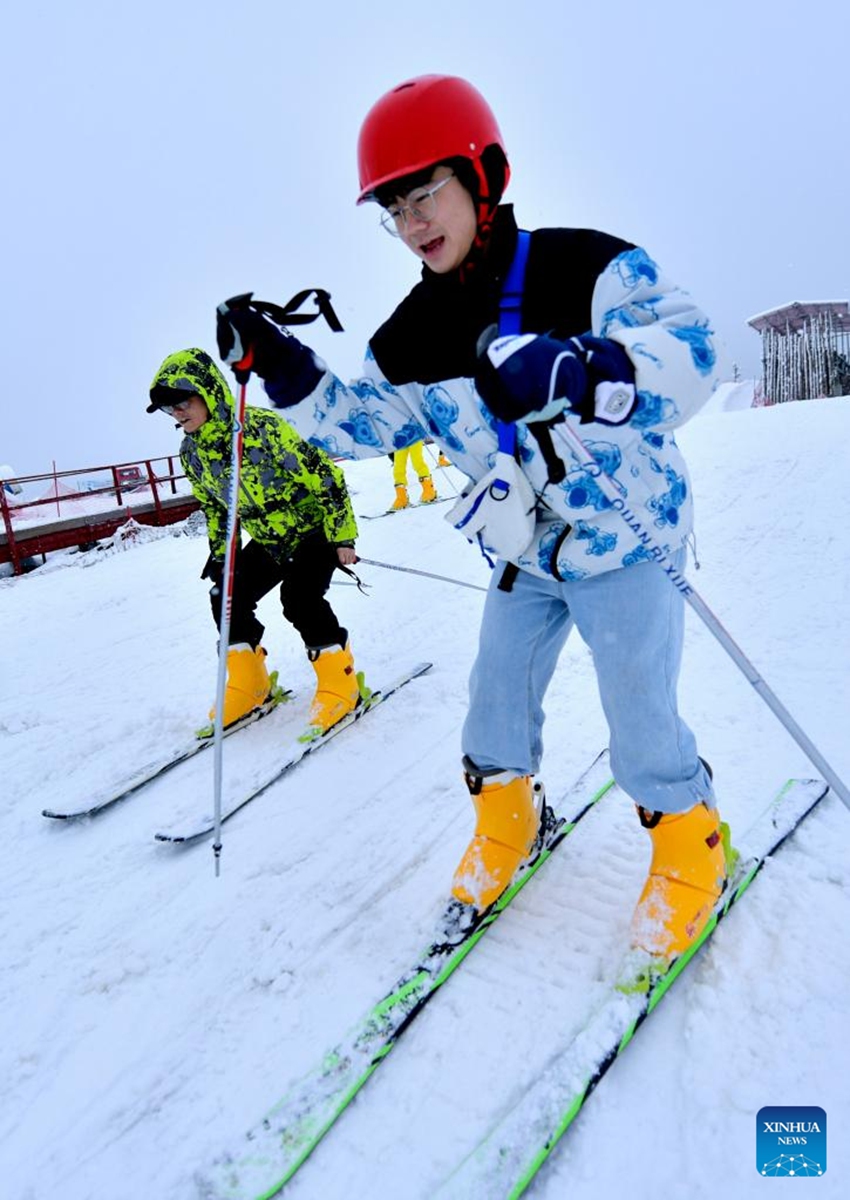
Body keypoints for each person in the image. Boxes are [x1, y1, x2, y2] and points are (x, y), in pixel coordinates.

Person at [215, 74, 728, 966]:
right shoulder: (410, 334)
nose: (413, 224)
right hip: (530, 552)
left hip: (628, 540)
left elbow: (694, 350)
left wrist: (587, 365)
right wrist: (284, 364)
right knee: (493, 698)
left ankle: (691, 845)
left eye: (426, 196)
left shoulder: (587, 267)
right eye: (394, 210)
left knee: (640, 713)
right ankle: (508, 821)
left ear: (483, 174)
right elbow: (361, 424)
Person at [147, 347, 365, 738]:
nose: (178, 414)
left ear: (209, 392)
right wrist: (220, 557)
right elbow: (217, 509)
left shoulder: (262, 429)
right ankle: (250, 684)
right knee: (225, 595)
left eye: (182, 402)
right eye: (169, 409)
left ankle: (342, 682)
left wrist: (341, 535)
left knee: (299, 599)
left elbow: (326, 477)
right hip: (268, 538)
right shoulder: (192, 454)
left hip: (311, 532)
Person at [389, 440, 437, 510]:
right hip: (399, 438)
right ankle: (401, 498)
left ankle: (429, 491)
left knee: (417, 462)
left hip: (414, 435)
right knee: (398, 468)